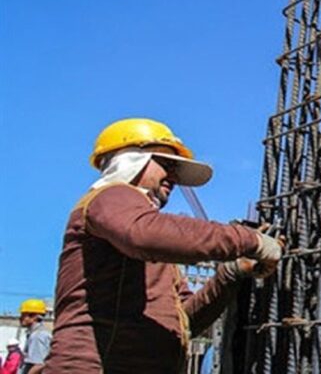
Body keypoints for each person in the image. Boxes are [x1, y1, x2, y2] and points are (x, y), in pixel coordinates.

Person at [45, 118, 283, 373]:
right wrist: (249, 240)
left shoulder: (152, 248)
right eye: (165, 164)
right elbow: (142, 233)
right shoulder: (110, 196)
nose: (173, 177)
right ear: (129, 160)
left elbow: (184, 322)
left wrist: (231, 273)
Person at [17, 300, 50, 374]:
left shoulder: (38, 335)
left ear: (34, 316)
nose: (20, 318)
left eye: (23, 315)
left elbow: (39, 365)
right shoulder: (34, 334)